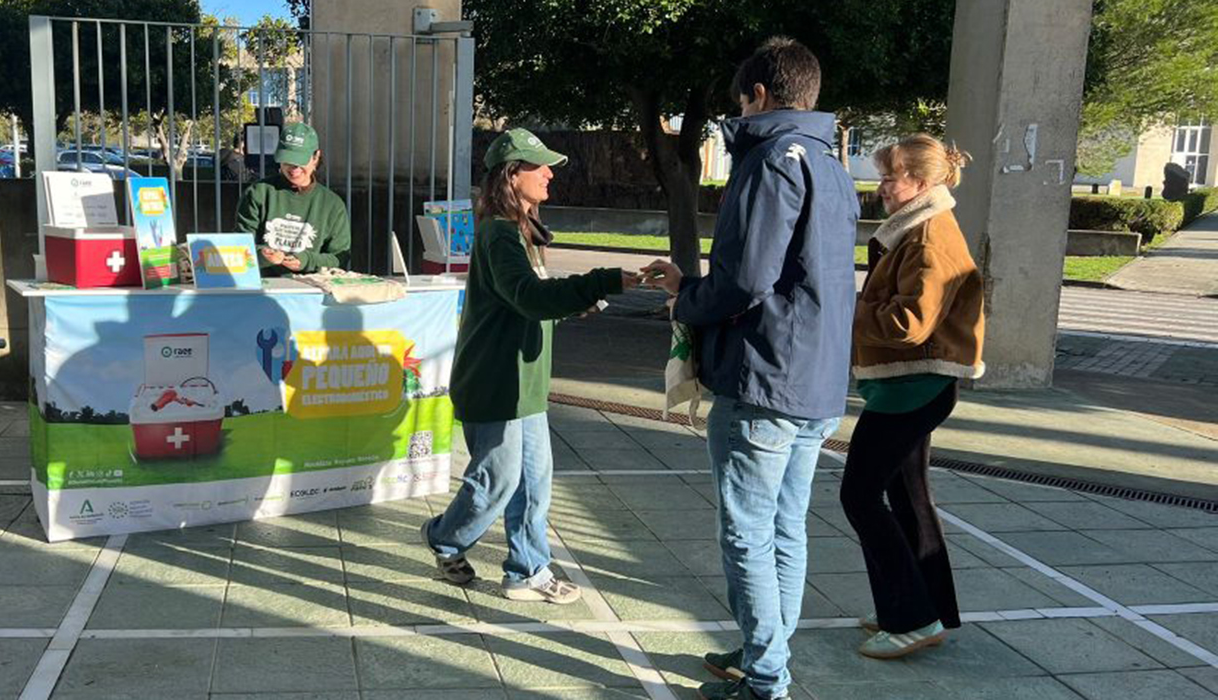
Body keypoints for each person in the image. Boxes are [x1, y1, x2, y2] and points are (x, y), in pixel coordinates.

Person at [642, 37, 858, 700]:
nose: (737, 112)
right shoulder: (828, 161)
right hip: (814, 381)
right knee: (784, 527)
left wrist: (687, 296)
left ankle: (767, 678)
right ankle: (766, 652)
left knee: (748, 532)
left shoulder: (770, 160)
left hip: (764, 377)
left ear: (759, 96)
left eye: (739, 102)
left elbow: (748, 281)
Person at [421, 128, 640, 604]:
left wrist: (578, 301)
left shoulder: (523, 233)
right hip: (496, 382)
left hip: (526, 385)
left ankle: (527, 571)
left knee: (534, 484)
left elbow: (531, 303)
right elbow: (527, 297)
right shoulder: (500, 234)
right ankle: (444, 537)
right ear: (510, 174)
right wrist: (601, 280)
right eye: (537, 166)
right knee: (496, 483)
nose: (549, 174)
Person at [840, 134, 984, 659]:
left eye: (889, 177)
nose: (880, 187)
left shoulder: (927, 237)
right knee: (908, 498)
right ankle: (925, 610)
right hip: (915, 384)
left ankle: (912, 617)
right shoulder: (917, 228)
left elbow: (909, 322)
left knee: (858, 496)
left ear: (921, 184)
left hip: (911, 386)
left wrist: (847, 311)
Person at [235, 122, 350, 275]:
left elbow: (339, 258)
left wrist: (307, 261)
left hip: (311, 288)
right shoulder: (258, 192)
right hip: (262, 285)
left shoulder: (332, 205)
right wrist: (263, 254)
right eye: (288, 160)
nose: (294, 168)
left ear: (316, 157)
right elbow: (239, 244)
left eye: (300, 161)